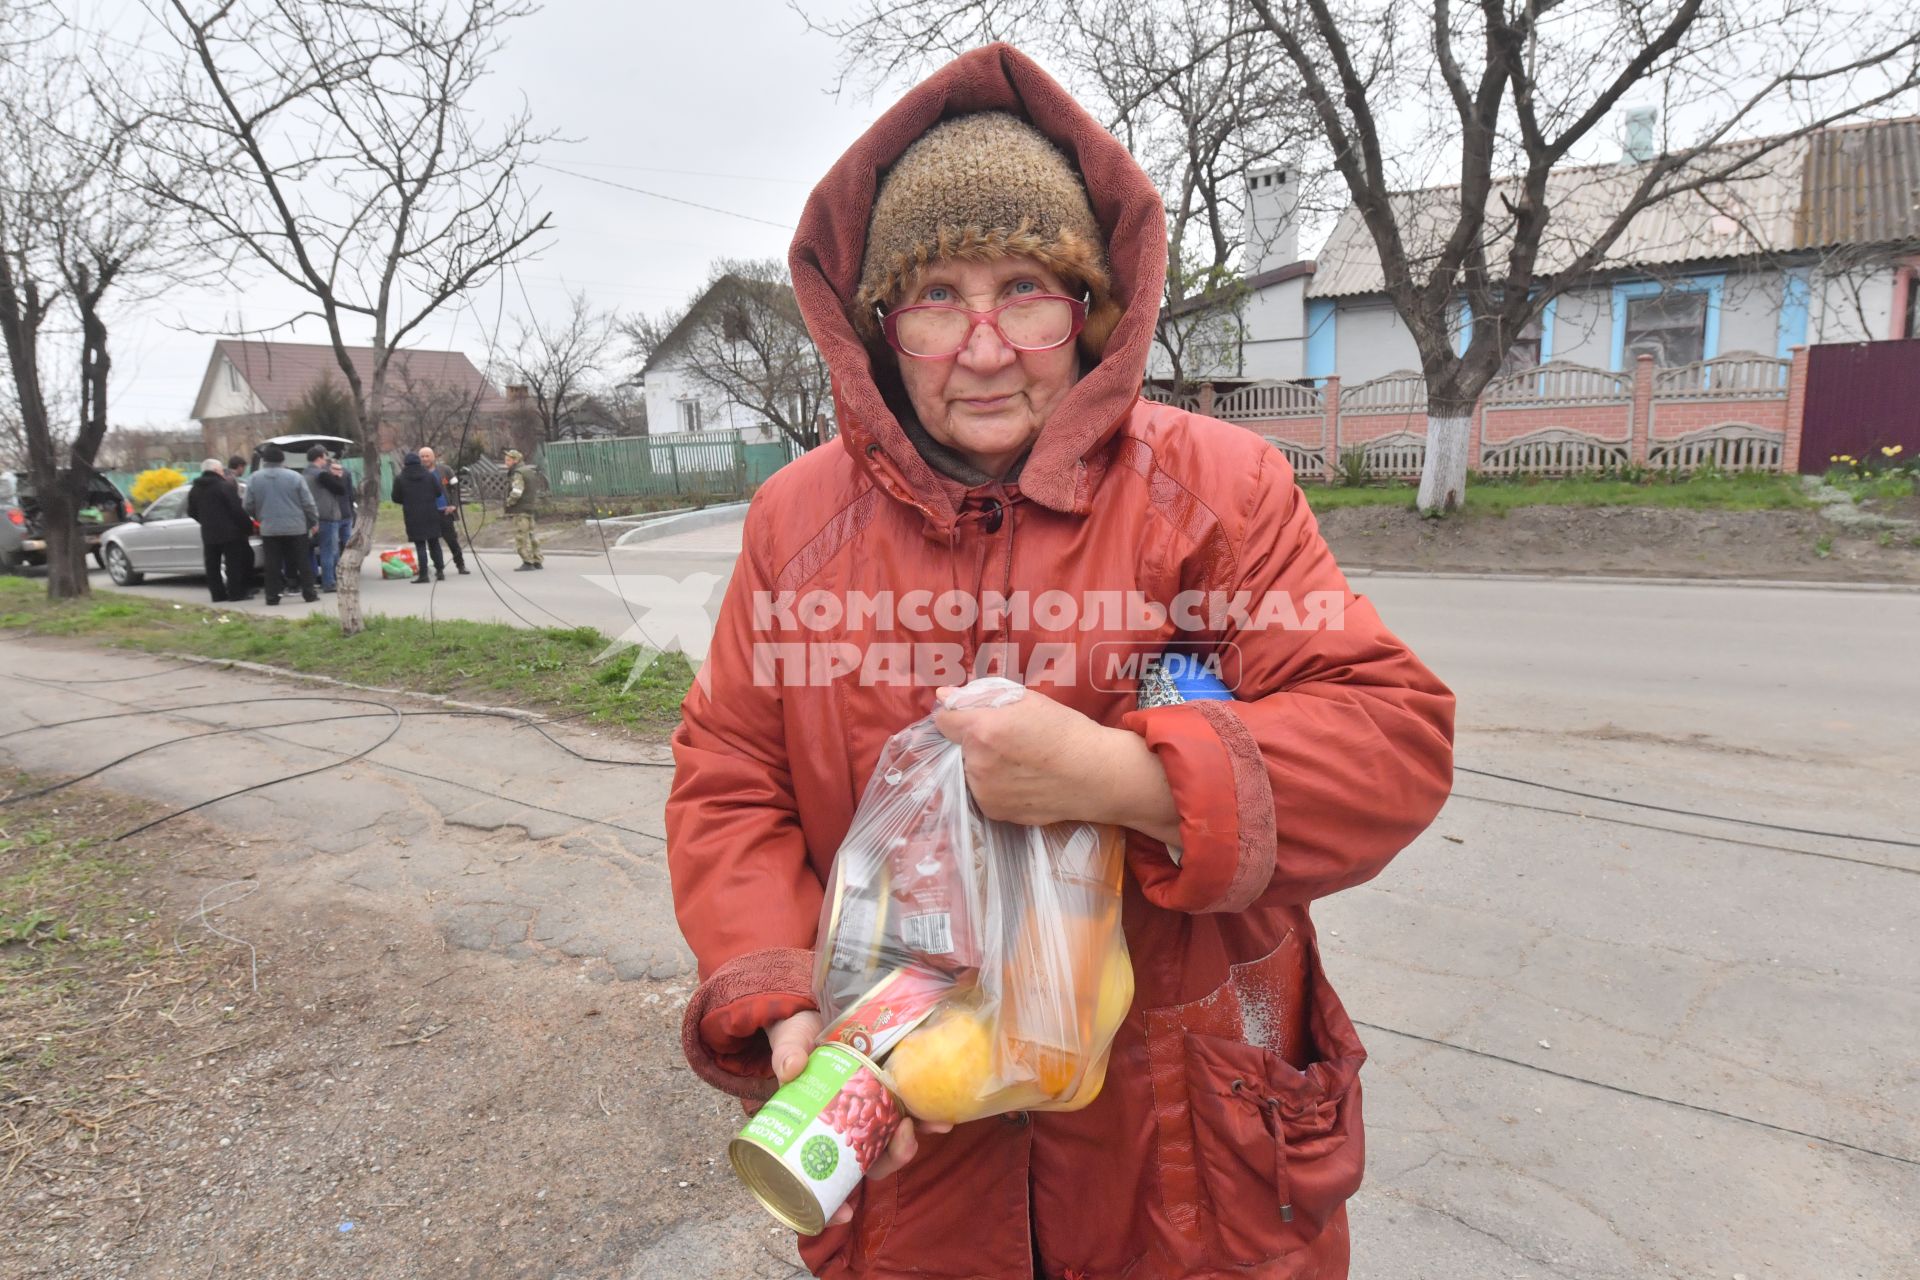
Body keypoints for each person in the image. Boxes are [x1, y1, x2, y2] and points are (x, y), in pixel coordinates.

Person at [666, 47, 1455, 1280]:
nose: (983, 348)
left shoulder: (1218, 491)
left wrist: (1120, 775)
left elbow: (1392, 740)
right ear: (879, 322)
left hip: (1180, 1149)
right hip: (913, 1146)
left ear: (1086, 306)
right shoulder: (794, 525)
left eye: (1026, 289)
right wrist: (778, 999)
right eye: (934, 295)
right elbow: (731, 777)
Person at [241, 444, 318, 605]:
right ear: (282, 459)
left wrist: (260, 517)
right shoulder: (295, 477)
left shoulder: (254, 478)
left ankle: (272, 596)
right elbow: (308, 503)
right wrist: (312, 521)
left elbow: (247, 505)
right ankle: (309, 593)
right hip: (296, 526)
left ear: (264, 460)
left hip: (269, 528)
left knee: (272, 563)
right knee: (302, 560)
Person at [185, 459, 253, 603]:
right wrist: (247, 526)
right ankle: (236, 593)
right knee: (233, 563)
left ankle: (217, 594)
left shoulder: (195, 489)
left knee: (212, 565)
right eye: (222, 470)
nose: (223, 473)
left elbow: (191, 511)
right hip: (230, 532)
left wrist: (205, 521)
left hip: (209, 532)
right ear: (216, 470)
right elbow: (236, 509)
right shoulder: (224, 487)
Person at [390, 451, 448, 583]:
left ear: (405, 464)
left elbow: (395, 498)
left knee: (420, 545)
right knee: (434, 543)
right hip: (431, 513)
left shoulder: (400, 478)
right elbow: (439, 492)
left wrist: (407, 501)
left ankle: (423, 575)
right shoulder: (429, 476)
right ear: (419, 462)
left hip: (413, 515)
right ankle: (440, 571)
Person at [303, 445, 350, 593]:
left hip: (309, 518)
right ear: (319, 458)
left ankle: (312, 579)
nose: (326, 460)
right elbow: (340, 489)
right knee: (328, 551)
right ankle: (329, 582)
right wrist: (338, 477)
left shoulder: (304, 474)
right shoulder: (322, 475)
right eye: (325, 457)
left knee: (309, 550)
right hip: (327, 516)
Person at [416, 446, 469, 574]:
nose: (425, 459)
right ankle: (439, 569)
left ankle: (460, 565)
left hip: (445, 512)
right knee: (432, 542)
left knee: (452, 540)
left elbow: (456, 488)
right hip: (428, 513)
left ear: (433, 457)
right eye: (422, 456)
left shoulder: (445, 470)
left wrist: (454, 505)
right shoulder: (418, 472)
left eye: (427, 456)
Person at [502, 447, 544, 571]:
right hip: (531, 507)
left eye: (508, 460)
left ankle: (527, 561)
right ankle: (537, 560)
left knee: (521, 536)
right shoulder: (528, 471)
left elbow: (516, 491)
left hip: (521, 509)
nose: (506, 462)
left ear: (515, 460)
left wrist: (509, 502)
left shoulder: (518, 473)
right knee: (532, 535)